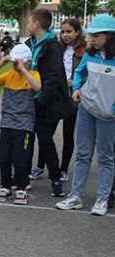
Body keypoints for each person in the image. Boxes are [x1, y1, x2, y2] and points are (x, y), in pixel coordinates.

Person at [56, 14, 115, 216]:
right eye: (91, 34)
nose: (92, 39)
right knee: (82, 154)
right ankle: (76, 196)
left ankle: (102, 199)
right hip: (86, 109)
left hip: (108, 116)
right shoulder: (90, 54)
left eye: (97, 35)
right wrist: (78, 88)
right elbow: (79, 72)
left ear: (109, 36)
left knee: (106, 158)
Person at [27, 8, 75, 198]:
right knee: (27, 138)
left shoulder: (51, 46)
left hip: (46, 101)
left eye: (30, 21)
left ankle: (55, 178)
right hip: (30, 98)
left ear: (37, 23)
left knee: (45, 139)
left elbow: (54, 76)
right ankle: (23, 174)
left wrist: (43, 99)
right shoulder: (32, 43)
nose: (28, 25)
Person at [0, 44, 41, 205]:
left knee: (20, 158)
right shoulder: (9, 75)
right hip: (7, 123)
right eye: (14, 64)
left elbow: (38, 87)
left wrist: (24, 70)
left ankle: (22, 187)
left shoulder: (33, 75)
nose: (15, 67)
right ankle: (5, 185)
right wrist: (0, 65)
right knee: (3, 157)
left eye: (18, 63)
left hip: (24, 125)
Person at [58, 18, 87, 183]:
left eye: (69, 31)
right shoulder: (58, 49)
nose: (65, 35)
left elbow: (86, 75)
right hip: (57, 95)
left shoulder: (84, 52)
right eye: (63, 32)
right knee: (45, 132)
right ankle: (41, 165)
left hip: (73, 96)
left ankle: (63, 168)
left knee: (68, 133)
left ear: (77, 32)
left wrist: (73, 82)